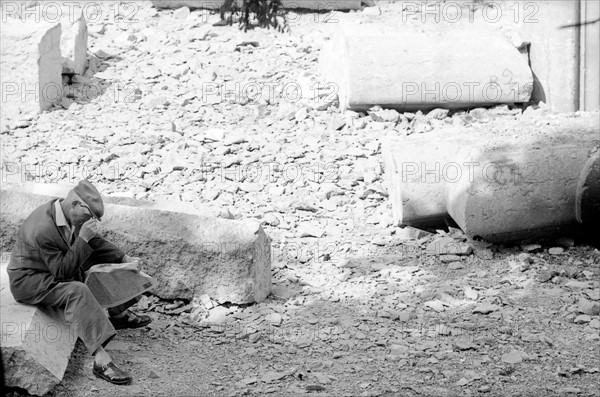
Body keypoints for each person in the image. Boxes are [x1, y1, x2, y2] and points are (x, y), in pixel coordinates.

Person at [7, 180, 152, 385]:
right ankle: (101, 360)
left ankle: (117, 313)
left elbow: (94, 242)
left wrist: (123, 259)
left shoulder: (66, 213)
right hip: (30, 280)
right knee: (77, 290)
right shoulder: (42, 229)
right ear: (76, 204)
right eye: (90, 217)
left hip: (51, 268)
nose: (90, 222)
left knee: (105, 259)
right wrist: (82, 239)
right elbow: (62, 273)